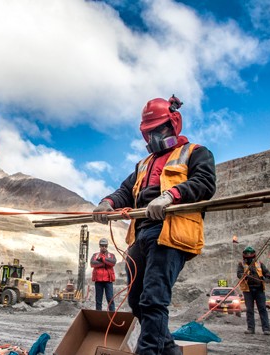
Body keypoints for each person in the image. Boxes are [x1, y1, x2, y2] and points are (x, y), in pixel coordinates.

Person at [93, 95, 216, 354]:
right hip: (142, 233)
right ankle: (170, 350)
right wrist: (108, 202)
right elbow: (125, 191)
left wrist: (171, 195)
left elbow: (205, 183)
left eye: (157, 130)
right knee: (138, 301)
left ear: (173, 125)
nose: (152, 138)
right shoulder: (144, 164)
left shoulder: (195, 153)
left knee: (153, 300)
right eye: (148, 133)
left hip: (171, 232)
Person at [237, 246, 270, 335]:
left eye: (250, 253)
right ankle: (251, 329)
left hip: (259, 289)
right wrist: (244, 275)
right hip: (247, 290)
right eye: (247, 254)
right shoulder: (241, 264)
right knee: (249, 310)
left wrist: (267, 278)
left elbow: (267, 273)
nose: (248, 255)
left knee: (262, 309)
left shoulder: (259, 264)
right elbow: (239, 274)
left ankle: (266, 329)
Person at [90, 237, 117, 311]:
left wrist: (103, 260)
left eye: (105, 246)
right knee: (98, 300)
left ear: (107, 246)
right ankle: (98, 316)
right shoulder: (95, 255)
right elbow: (92, 263)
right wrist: (105, 263)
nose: (104, 247)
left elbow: (113, 263)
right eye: (102, 246)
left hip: (108, 281)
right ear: (99, 246)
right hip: (98, 281)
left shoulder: (112, 255)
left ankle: (112, 317)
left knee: (110, 299)